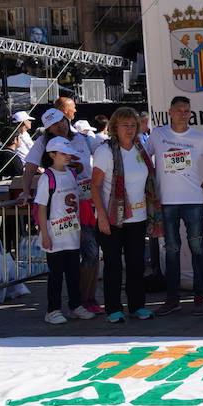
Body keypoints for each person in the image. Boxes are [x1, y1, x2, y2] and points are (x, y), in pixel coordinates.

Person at [19, 106, 101, 315]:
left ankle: (84, 300)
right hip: (58, 220)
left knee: (89, 255)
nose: (61, 126)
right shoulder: (47, 170)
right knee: (58, 269)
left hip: (83, 207)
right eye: (55, 125)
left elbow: (101, 151)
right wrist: (26, 191)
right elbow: (30, 169)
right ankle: (57, 308)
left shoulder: (82, 139)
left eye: (63, 121)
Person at [148, 95, 203, 316]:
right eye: (178, 110)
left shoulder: (199, 138)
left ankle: (200, 297)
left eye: (186, 111)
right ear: (170, 112)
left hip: (193, 202)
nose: (183, 114)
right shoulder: (158, 134)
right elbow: (143, 158)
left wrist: (202, 187)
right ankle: (172, 298)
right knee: (171, 250)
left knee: (197, 248)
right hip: (166, 202)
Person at [91, 107, 158, 324]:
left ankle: (137, 306)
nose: (129, 130)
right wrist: (101, 216)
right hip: (112, 219)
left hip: (138, 218)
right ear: (114, 128)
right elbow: (95, 186)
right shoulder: (105, 151)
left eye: (133, 125)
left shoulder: (141, 149)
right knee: (113, 265)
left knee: (137, 264)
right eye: (125, 125)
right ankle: (113, 308)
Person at [35, 137, 93, 325]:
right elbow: (41, 207)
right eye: (63, 153)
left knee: (73, 272)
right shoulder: (47, 178)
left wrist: (79, 229)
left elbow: (75, 203)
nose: (68, 157)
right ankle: (53, 309)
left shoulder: (71, 174)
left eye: (69, 153)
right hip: (54, 233)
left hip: (72, 232)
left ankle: (75, 305)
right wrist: (44, 234)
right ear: (52, 155)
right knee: (56, 274)